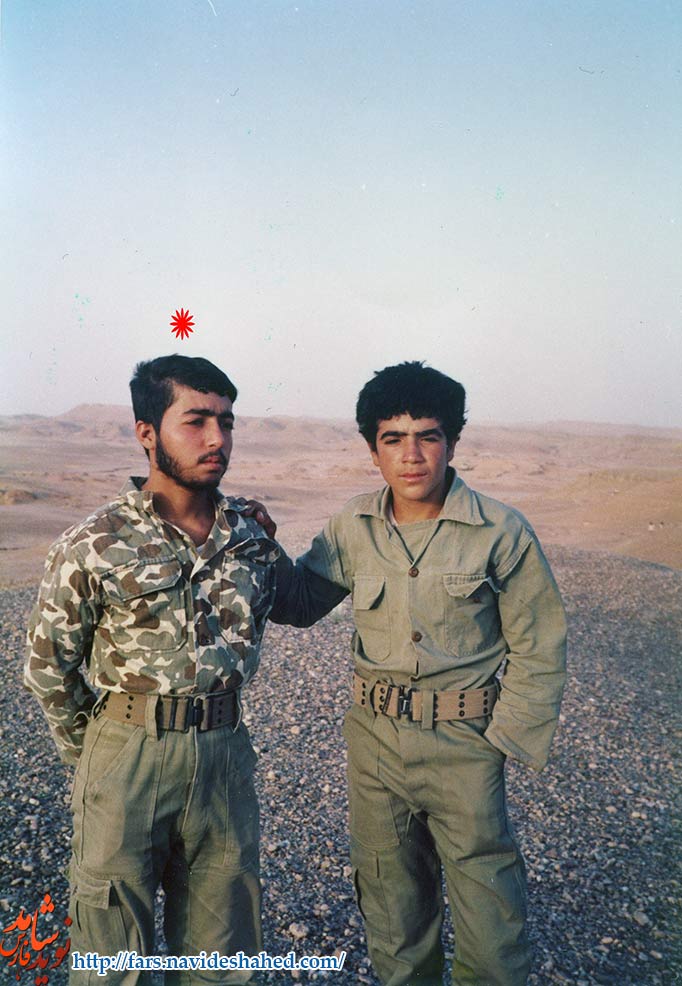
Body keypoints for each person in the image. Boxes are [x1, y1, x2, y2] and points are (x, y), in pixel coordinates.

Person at [270, 361, 567, 986]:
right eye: (393, 439)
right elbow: (298, 603)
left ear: (452, 441)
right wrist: (254, 540)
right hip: (374, 744)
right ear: (372, 449)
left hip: (465, 744)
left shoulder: (500, 532)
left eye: (427, 436)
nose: (411, 455)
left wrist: (501, 741)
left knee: (490, 910)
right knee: (392, 909)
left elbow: (540, 645)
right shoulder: (352, 526)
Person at [25, 354, 279, 985]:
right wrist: (98, 757)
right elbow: (48, 666)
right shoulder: (94, 542)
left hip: (223, 757)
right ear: (147, 433)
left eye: (226, 421)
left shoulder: (250, 536)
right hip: (127, 757)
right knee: (113, 959)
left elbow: (297, 600)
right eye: (196, 421)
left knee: (223, 958)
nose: (217, 438)